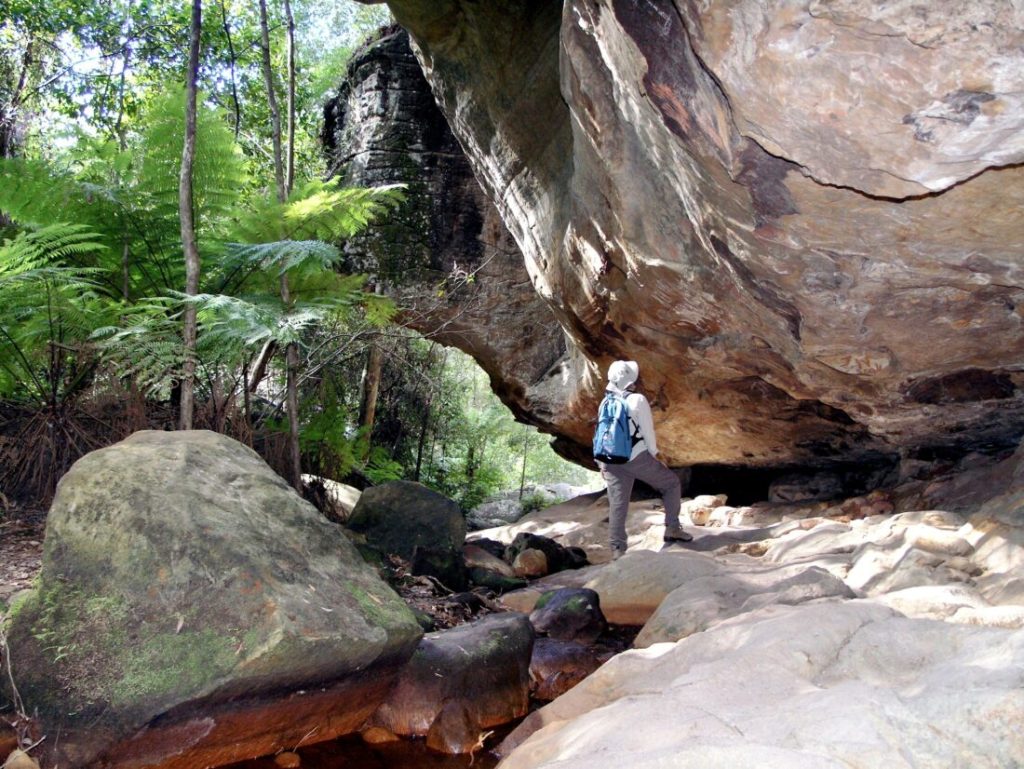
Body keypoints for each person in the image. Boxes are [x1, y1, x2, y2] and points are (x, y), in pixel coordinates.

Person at [599, 360, 691, 559]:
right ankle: (673, 528)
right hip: (635, 457)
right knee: (671, 483)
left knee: (617, 504)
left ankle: (617, 549)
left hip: (610, 460)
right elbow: (648, 432)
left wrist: (601, 464)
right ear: (630, 379)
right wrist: (655, 455)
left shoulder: (605, 402)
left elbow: (600, 434)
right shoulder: (637, 400)